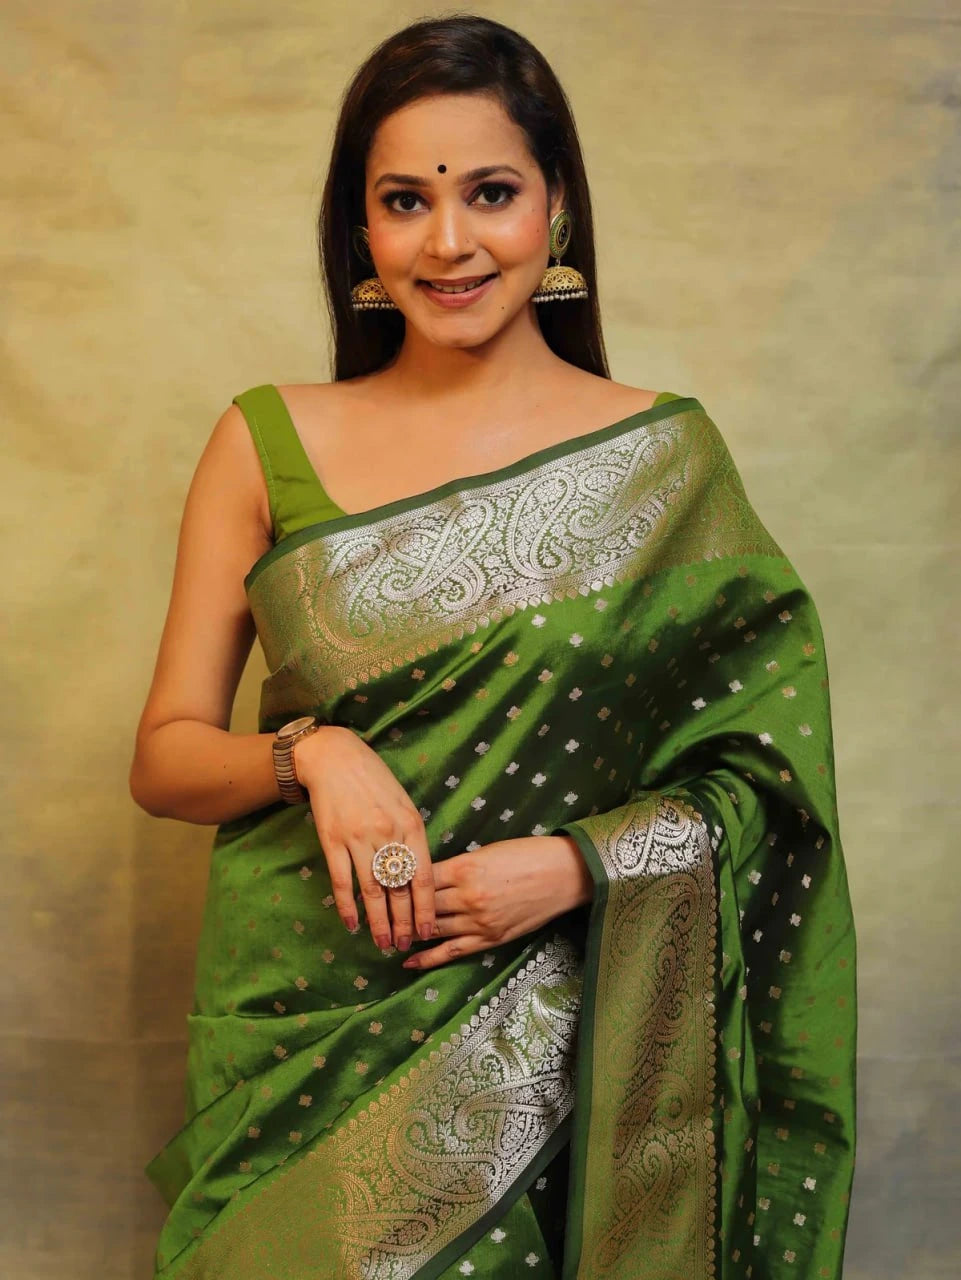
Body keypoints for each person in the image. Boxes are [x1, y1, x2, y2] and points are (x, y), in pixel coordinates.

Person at [129, 14, 856, 1279]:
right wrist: (315, 752)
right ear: (361, 230)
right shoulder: (263, 438)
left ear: (556, 208)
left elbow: (763, 785)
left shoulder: (664, 461)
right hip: (306, 1027)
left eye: (491, 193)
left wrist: (583, 867)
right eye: (404, 200)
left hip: (572, 1032)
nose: (448, 241)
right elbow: (168, 757)